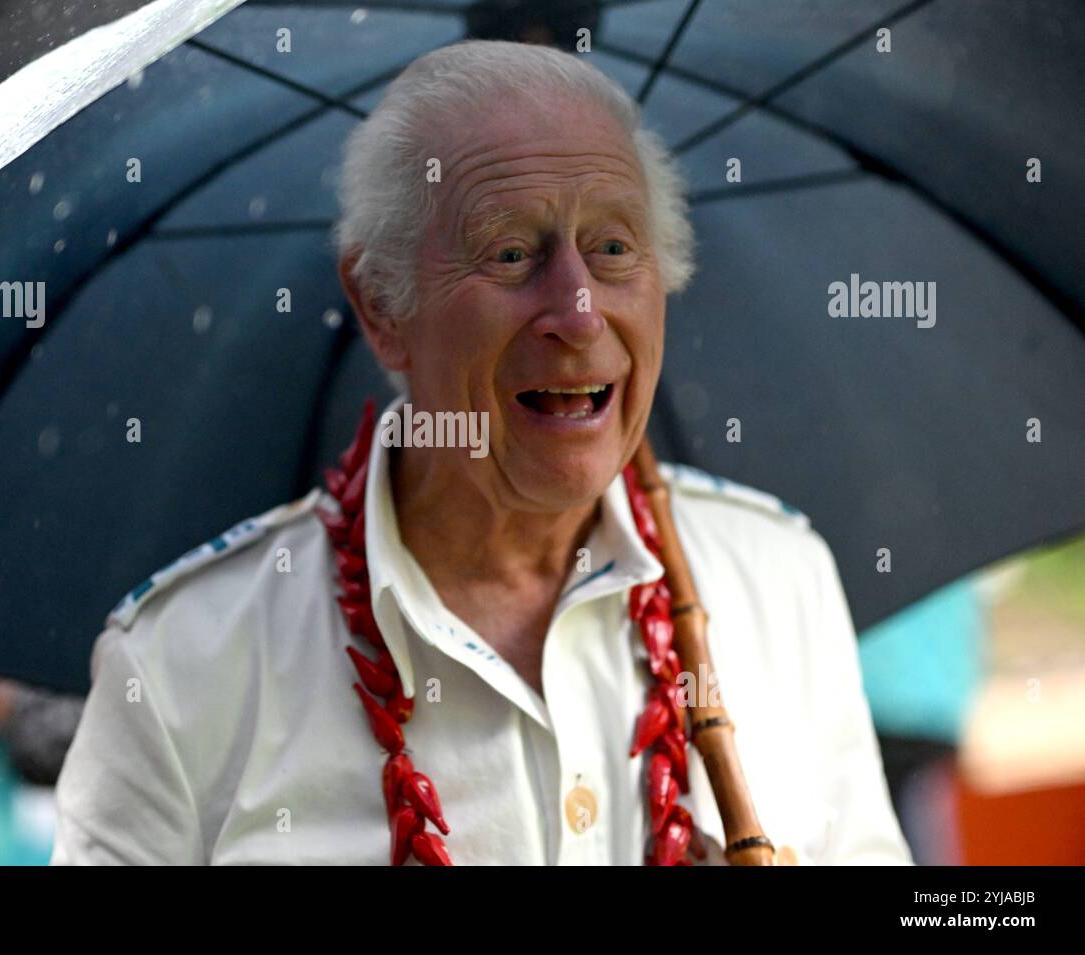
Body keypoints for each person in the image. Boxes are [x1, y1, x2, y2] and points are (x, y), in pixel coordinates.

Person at [51, 39, 911, 866]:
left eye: (612, 246)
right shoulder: (177, 673)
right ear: (383, 305)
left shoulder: (779, 578)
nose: (577, 313)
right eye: (510, 253)